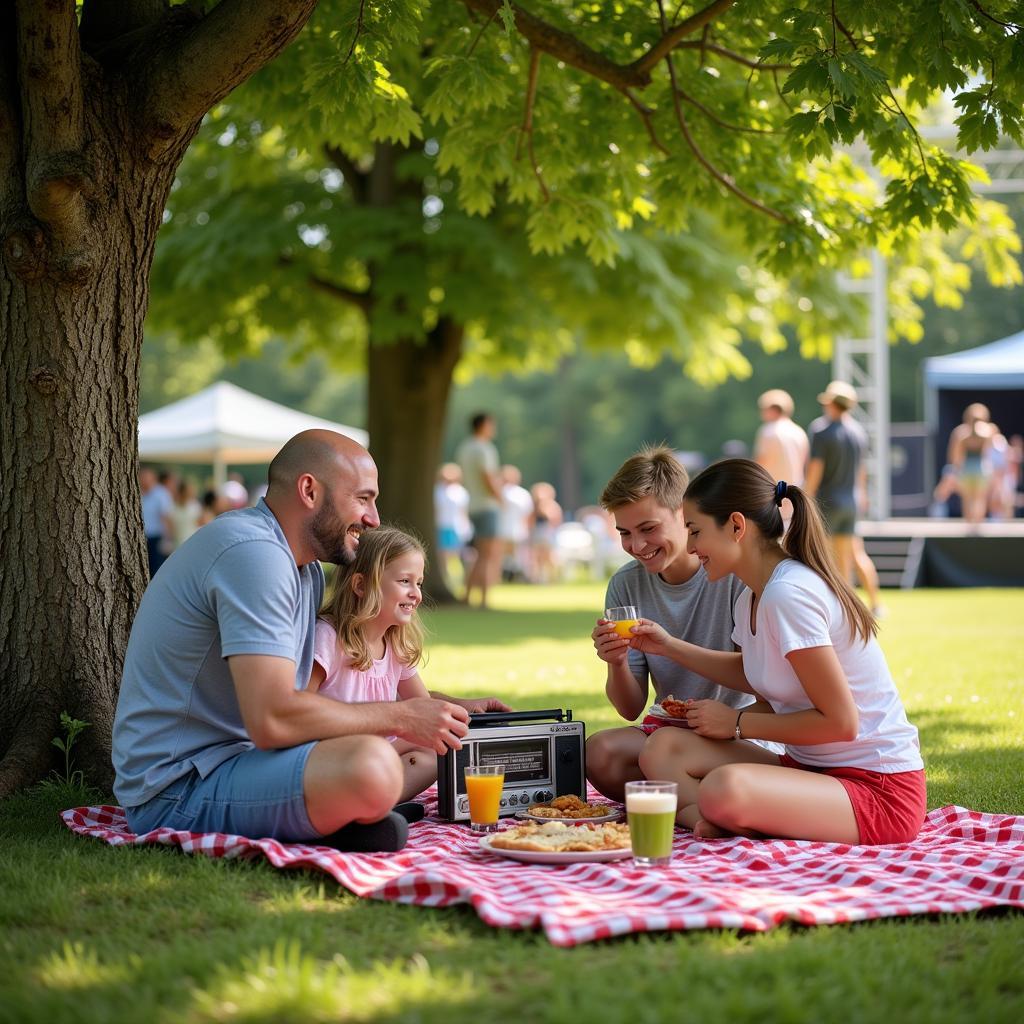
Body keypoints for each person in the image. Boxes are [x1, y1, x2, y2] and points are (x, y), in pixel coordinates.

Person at [113, 430, 474, 853]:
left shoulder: (302, 570)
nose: (374, 518)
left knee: (387, 758)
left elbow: (294, 707)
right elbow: (274, 720)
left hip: (242, 764)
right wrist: (401, 718)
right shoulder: (255, 554)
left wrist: (446, 710)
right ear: (309, 490)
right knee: (372, 766)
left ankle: (334, 823)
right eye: (363, 499)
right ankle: (335, 820)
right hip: (177, 788)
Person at [635, 459, 926, 845]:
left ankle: (723, 814)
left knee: (724, 788)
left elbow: (841, 722)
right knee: (663, 748)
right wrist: (669, 647)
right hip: (809, 769)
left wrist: (736, 723)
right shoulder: (752, 597)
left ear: (737, 526)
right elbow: (757, 669)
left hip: (878, 790)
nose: (690, 547)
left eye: (695, 531)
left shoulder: (788, 594)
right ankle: (714, 821)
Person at [586, 445, 769, 803]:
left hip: (737, 730)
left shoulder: (731, 574)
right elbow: (629, 708)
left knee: (665, 754)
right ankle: (705, 799)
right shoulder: (626, 584)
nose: (637, 545)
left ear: (684, 512)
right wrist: (617, 662)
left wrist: (670, 646)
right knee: (600, 753)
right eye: (624, 533)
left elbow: (759, 679)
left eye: (648, 528)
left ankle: (697, 805)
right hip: (669, 731)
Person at [312, 526, 510, 802]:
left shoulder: (393, 644)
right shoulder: (328, 637)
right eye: (405, 581)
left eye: (419, 583)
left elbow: (422, 704)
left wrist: (462, 706)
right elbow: (300, 706)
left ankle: (375, 805)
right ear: (360, 585)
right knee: (415, 751)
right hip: (332, 760)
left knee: (435, 751)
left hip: (378, 755)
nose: (416, 594)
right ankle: (364, 805)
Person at [804, 380, 882, 615]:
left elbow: (816, 468)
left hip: (828, 501)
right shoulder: (858, 431)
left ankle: (837, 609)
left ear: (830, 403)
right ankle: (872, 604)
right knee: (852, 555)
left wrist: (804, 497)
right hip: (851, 501)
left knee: (825, 558)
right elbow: (861, 471)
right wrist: (862, 496)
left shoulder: (821, 431)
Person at [455, 412, 504, 607]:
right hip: (487, 506)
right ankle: (483, 599)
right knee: (487, 555)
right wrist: (500, 497)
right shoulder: (484, 449)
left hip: (472, 504)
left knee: (478, 554)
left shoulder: (465, 448)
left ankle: (467, 595)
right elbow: (488, 476)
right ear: (483, 425)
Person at [753, 389, 809, 523]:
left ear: (772, 409)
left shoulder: (768, 431)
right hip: (795, 493)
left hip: (772, 494)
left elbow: (761, 463)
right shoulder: (799, 432)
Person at [935, 403, 995, 525]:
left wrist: (956, 469)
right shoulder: (989, 431)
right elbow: (990, 453)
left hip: (966, 469)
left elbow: (954, 456)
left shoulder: (960, 432)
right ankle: (977, 526)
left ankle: (969, 527)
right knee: (980, 499)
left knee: (967, 499)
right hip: (981, 468)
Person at [433, 462, 471, 589]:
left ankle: (459, 580)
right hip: (442, 526)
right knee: (443, 555)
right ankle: (446, 578)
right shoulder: (438, 490)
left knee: (457, 555)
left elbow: (463, 511)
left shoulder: (460, 492)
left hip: (456, 527)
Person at [499, 464, 534, 582]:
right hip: (510, 529)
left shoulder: (501, 492)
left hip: (510, 528)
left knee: (511, 556)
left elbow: (527, 515)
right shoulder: (521, 494)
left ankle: (510, 577)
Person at [139, 466, 174, 577]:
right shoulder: (137, 492)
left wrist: (168, 538)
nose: (144, 480)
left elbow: (166, 517)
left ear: (153, 479)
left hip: (156, 537)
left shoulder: (161, 493)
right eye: (142, 477)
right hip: (140, 536)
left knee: (155, 568)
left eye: (147, 478)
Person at [529, 481, 563, 584]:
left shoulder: (552, 506)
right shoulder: (534, 507)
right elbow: (530, 520)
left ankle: (553, 578)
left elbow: (554, 519)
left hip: (547, 534)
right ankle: (538, 579)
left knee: (549, 557)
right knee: (537, 558)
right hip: (537, 534)